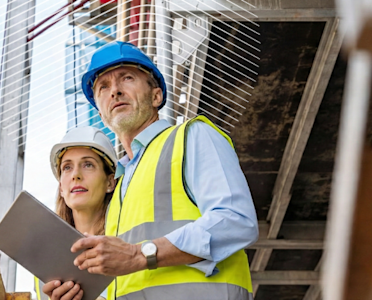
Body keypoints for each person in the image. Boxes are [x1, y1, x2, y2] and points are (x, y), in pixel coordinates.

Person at [44, 41, 258, 300]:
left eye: (127, 78)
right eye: (104, 87)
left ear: (156, 96)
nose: (115, 91)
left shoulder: (190, 137)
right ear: (101, 113)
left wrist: (140, 255)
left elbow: (236, 221)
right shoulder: (120, 189)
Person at [35, 126, 118, 300]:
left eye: (88, 164)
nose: (76, 175)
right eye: (67, 167)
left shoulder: (127, 245)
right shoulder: (45, 260)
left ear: (110, 182)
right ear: (61, 188)